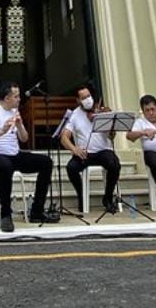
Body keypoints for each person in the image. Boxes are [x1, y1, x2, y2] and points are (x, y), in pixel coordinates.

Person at [0, 81, 59, 232]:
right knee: (5, 166)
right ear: (6, 98)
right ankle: (5, 215)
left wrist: (20, 125)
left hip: (14, 155)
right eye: (16, 96)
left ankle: (37, 210)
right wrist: (2, 131)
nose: (19, 99)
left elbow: (24, 139)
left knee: (46, 162)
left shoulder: (14, 112)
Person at [61, 83, 121, 214]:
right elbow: (64, 137)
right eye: (83, 98)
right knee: (71, 168)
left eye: (89, 96)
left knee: (115, 165)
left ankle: (108, 197)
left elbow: (112, 136)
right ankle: (82, 195)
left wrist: (111, 126)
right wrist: (74, 149)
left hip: (103, 150)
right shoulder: (75, 115)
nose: (88, 100)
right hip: (85, 153)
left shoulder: (102, 111)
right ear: (78, 100)